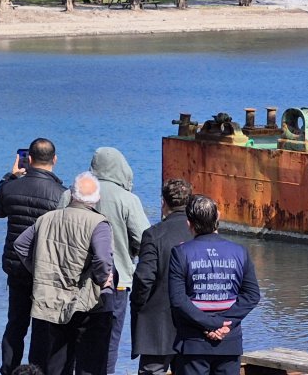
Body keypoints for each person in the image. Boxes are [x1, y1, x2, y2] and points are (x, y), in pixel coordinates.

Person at [14, 171, 115, 375]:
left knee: (57, 363)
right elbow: (103, 258)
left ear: (71, 194)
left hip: (52, 301)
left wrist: (40, 271)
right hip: (87, 304)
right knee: (90, 364)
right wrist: (104, 279)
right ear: (97, 198)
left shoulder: (46, 219)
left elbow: (20, 245)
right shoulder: (98, 223)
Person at [61, 146, 150, 374]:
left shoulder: (70, 194)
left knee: (69, 337)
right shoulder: (128, 199)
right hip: (115, 283)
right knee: (108, 340)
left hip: (72, 282)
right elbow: (145, 241)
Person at [0, 138, 67, 375]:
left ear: (29, 159)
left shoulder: (11, 188)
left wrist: (9, 177)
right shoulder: (61, 195)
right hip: (46, 271)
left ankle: (8, 370)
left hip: (16, 269)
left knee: (16, 324)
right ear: (54, 159)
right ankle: (37, 371)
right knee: (42, 327)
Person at [168, 195, 261, 375]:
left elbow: (178, 300)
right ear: (217, 218)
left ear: (189, 224)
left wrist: (209, 324)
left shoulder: (180, 253)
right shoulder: (240, 252)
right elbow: (251, 295)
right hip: (229, 341)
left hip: (193, 343)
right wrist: (225, 324)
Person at [130, 179, 195, 375]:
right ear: (190, 201)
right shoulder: (200, 234)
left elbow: (144, 278)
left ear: (163, 202)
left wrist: (138, 305)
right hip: (193, 320)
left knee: (153, 370)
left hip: (157, 321)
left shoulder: (153, 235)